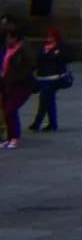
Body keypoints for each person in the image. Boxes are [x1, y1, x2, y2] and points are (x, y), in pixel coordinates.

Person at [28, 25, 67, 133]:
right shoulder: (43, 47)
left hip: (55, 78)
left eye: (52, 37)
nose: (50, 39)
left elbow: (65, 59)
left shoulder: (61, 47)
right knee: (49, 99)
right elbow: (38, 60)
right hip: (42, 77)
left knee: (44, 98)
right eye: (49, 36)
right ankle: (52, 123)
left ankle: (37, 123)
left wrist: (54, 53)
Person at [0, 20, 33, 149]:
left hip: (22, 84)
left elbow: (29, 66)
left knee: (10, 109)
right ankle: (9, 138)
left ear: (15, 38)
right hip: (7, 83)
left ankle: (15, 138)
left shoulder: (24, 49)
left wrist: (13, 76)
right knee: (6, 110)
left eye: (9, 38)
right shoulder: (5, 49)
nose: (7, 40)